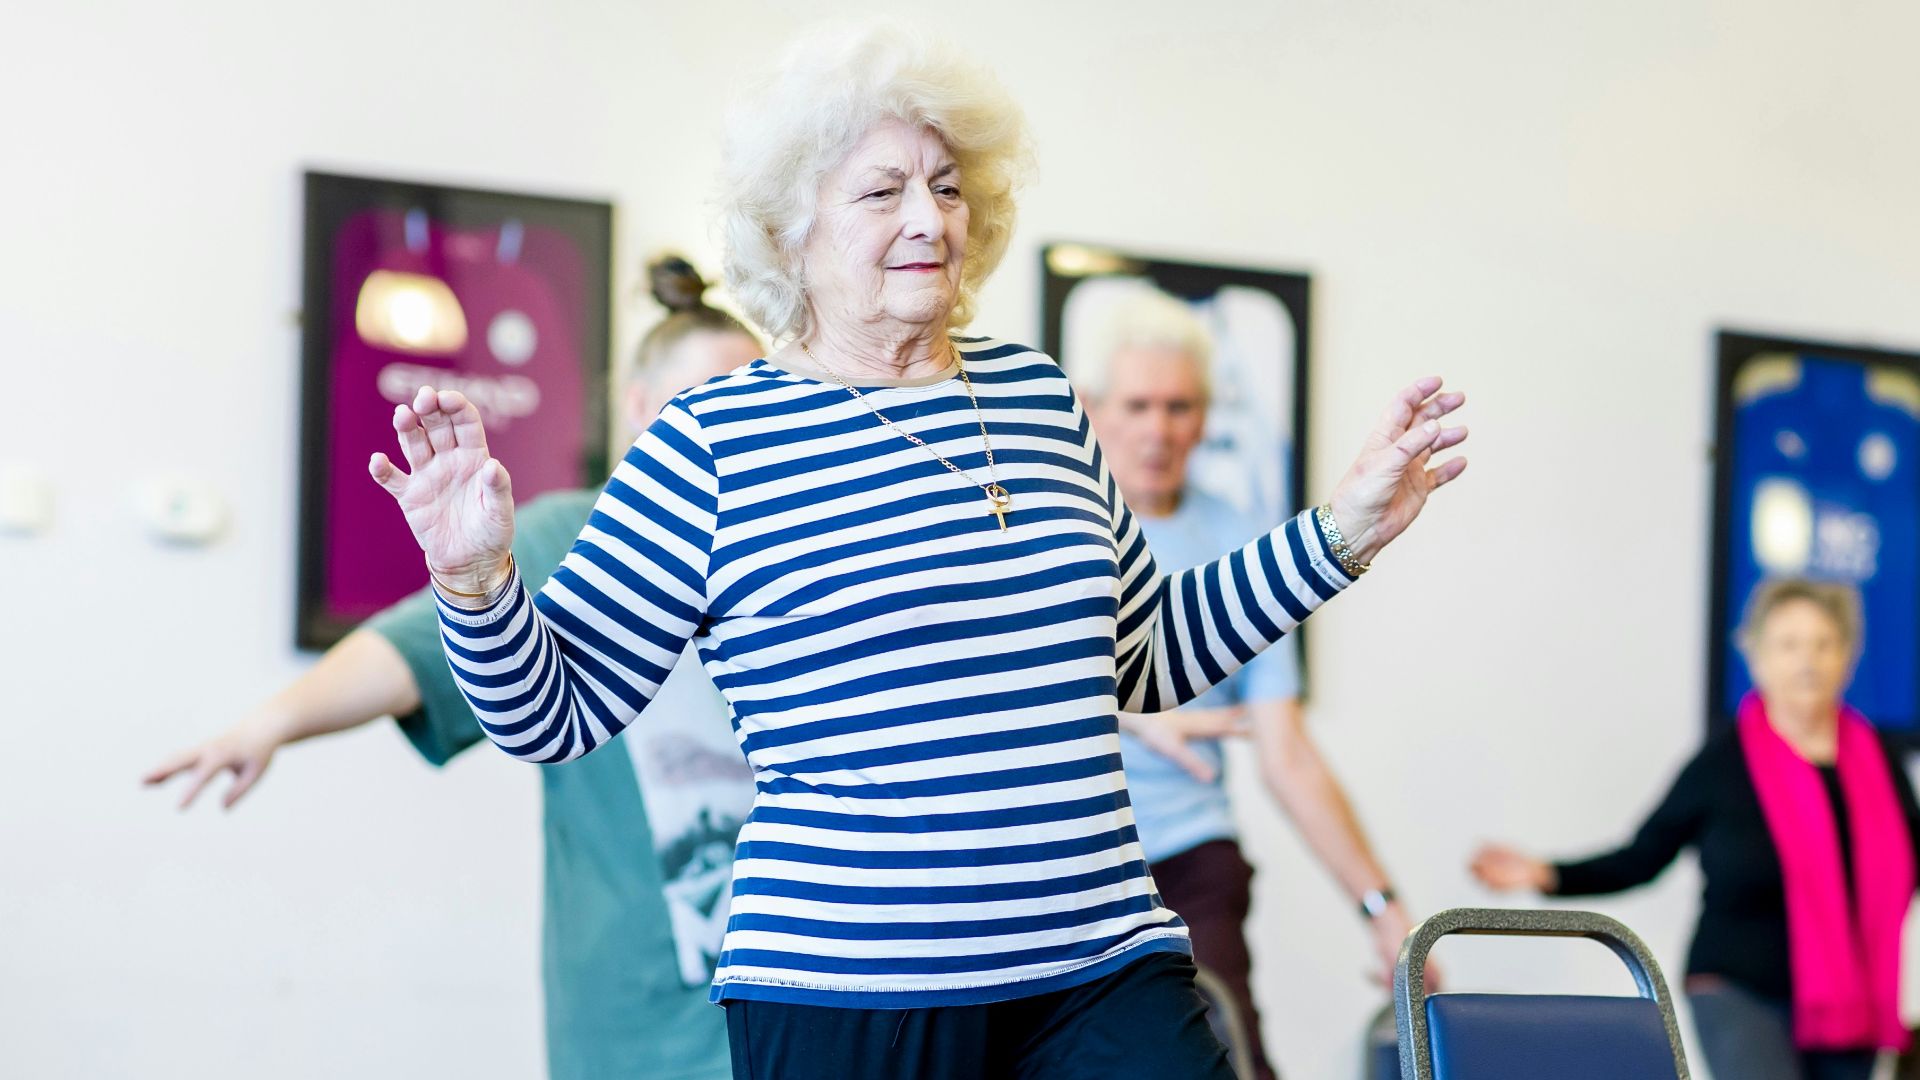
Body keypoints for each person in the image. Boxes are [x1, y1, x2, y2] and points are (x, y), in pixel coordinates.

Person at [369, 23, 1469, 1080]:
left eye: (946, 187)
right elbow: (552, 716)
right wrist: (475, 582)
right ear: (792, 230)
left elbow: (1143, 654)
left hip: (1100, 959)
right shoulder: (713, 444)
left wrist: (1339, 533)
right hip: (851, 987)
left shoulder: (1038, 397)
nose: (928, 220)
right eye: (882, 191)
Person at [144, 255, 765, 1080]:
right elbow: (404, 656)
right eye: (707, 403)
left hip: (797, 1001)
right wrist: (268, 724)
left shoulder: (785, 549)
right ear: (641, 410)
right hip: (637, 1023)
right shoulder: (570, 537)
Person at [1075, 285, 1425, 1080]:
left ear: (1206, 417)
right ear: (1093, 409)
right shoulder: (1054, 526)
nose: (1158, 430)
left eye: (1179, 407)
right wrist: (1135, 713)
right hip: (1063, 863)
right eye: (1138, 404)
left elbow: (1286, 754)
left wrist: (1381, 907)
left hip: (1192, 861)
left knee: (1228, 1061)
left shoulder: (1239, 541)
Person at [1472, 579, 1920, 1080]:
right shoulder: (1723, 764)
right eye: (1789, 644)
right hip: (1736, 989)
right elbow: (1643, 856)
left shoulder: (1879, 764)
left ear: (1848, 655)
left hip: (1850, 1004)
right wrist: (1549, 873)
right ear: (1757, 658)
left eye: (1823, 643)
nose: (1807, 661)